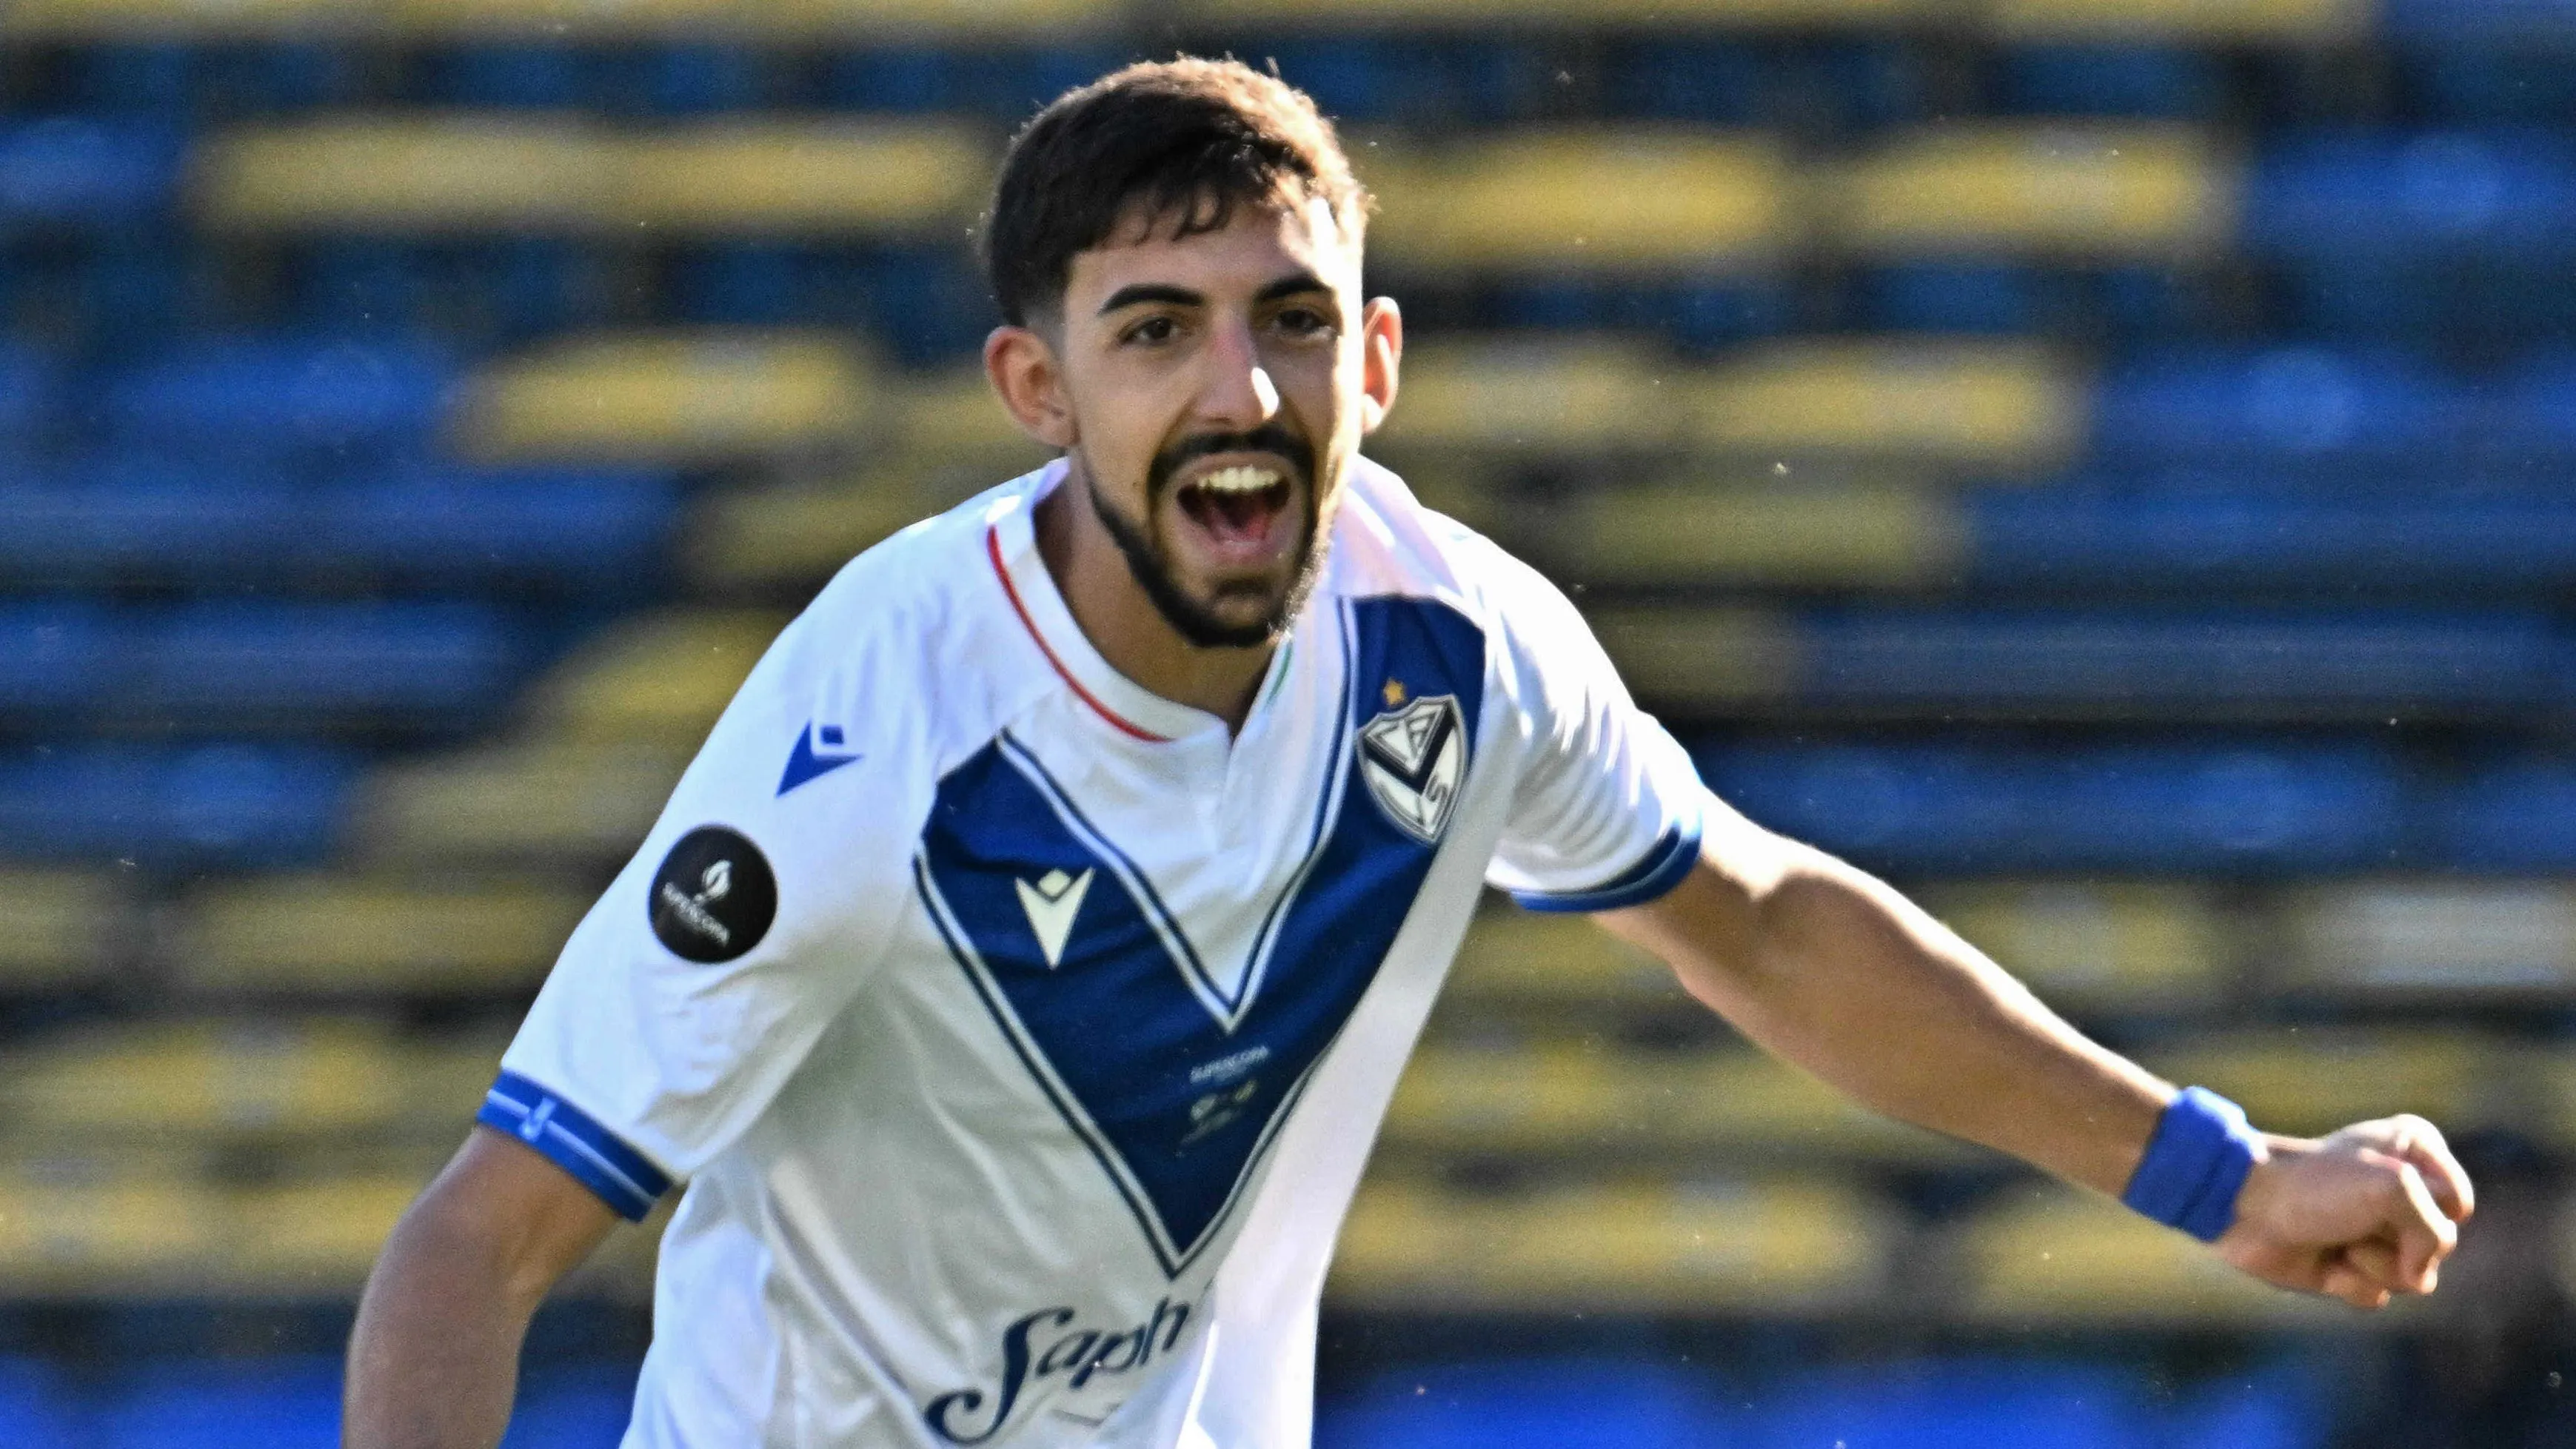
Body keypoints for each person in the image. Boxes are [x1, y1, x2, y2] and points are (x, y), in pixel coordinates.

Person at [343, 57, 2475, 1449]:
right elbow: (478, 1243)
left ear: (1374, 357)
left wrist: (2214, 1173)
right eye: (1153, 332)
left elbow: (1757, 924)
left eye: (1286, 319)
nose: (1237, 389)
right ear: (1034, 385)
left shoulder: (1448, 640)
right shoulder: (868, 740)